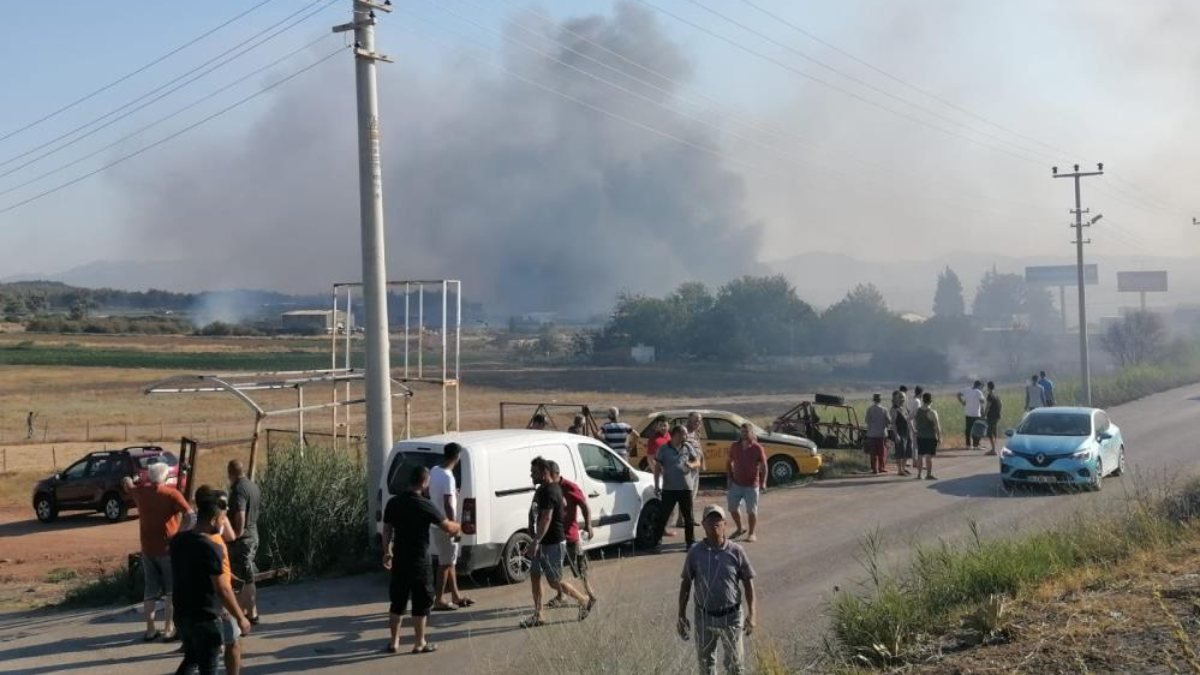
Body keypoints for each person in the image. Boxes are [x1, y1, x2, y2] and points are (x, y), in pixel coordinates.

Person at [170, 485, 251, 675]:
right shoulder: (212, 548)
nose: (223, 524)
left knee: (191, 659)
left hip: (182, 614)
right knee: (209, 666)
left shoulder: (178, 541)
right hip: (205, 618)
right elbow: (222, 589)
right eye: (223, 519)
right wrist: (241, 617)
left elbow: (192, 570)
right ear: (214, 519)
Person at [382, 465, 460, 653]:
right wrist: (459, 526)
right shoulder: (424, 505)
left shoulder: (394, 503)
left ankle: (394, 642)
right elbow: (447, 527)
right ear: (424, 483)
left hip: (400, 559)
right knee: (421, 603)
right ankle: (419, 643)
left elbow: (387, 529)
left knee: (397, 603)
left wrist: (386, 551)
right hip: (419, 562)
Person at [677, 505, 757, 675]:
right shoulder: (695, 552)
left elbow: (748, 583)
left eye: (718, 520)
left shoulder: (736, 551)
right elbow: (686, 584)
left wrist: (752, 614)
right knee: (706, 665)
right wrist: (681, 615)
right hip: (704, 617)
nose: (714, 523)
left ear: (725, 524)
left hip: (732, 617)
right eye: (710, 520)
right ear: (703, 525)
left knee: (735, 666)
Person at [123, 462, 191, 641]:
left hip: (147, 548)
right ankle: (169, 627)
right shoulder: (171, 494)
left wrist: (131, 479)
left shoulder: (140, 492)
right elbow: (190, 514)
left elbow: (127, 483)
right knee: (170, 591)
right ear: (166, 477)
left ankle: (150, 628)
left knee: (150, 590)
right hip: (168, 549)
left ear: (149, 476)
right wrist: (180, 533)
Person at [523, 457, 593, 627]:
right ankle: (538, 615)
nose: (531, 475)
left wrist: (535, 541)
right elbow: (535, 512)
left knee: (554, 581)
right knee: (534, 575)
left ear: (544, 473)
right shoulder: (542, 490)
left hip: (552, 542)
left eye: (534, 472)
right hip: (541, 541)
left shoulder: (551, 491)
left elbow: (546, 518)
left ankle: (583, 600)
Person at [194, 486, 243, 675]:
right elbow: (222, 588)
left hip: (201, 601)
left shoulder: (195, 533)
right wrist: (241, 617)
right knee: (232, 642)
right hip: (217, 602)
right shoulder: (212, 541)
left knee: (200, 656)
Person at [546, 462, 597, 608]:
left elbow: (584, 505)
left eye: (549, 476)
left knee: (580, 568)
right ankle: (561, 596)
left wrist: (588, 525)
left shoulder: (570, 487)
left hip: (570, 536)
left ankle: (590, 595)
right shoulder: (549, 489)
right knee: (556, 571)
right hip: (555, 538)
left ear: (556, 474)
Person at [429, 443, 473, 611]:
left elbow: (434, 494)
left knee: (449, 561)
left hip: (436, 523)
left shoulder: (434, 470)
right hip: (446, 525)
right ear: (457, 457)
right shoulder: (448, 477)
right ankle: (438, 599)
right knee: (445, 564)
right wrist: (453, 526)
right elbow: (448, 503)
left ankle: (455, 595)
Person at [654, 426, 701, 549]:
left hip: (686, 488)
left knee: (688, 517)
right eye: (683, 434)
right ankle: (656, 541)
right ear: (676, 435)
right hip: (669, 489)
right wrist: (656, 485)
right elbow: (657, 468)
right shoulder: (663, 449)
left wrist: (691, 465)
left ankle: (690, 542)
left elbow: (697, 462)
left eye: (686, 434)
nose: (685, 437)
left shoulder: (687, 447)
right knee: (664, 515)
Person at [226, 460, 261, 625]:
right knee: (248, 577)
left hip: (243, 539)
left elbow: (240, 513)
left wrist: (235, 534)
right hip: (253, 534)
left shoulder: (238, 489)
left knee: (239, 580)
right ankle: (251, 612)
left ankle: (240, 616)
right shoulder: (252, 486)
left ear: (231, 473)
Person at [726, 423, 766, 542]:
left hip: (752, 484)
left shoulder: (757, 448)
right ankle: (740, 528)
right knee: (732, 507)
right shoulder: (734, 446)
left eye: (746, 432)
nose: (743, 434)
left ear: (751, 433)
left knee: (751, 511)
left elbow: (764, 466)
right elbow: (728, 462)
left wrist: (763, 482)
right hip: (736, 482)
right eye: (742, 432)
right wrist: (729, 477)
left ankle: (752, 533)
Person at [675, 412, 706, 529]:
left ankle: (686, 518)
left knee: (691, 495)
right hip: (686, 468)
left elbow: (699, 448)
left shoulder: (696, 432)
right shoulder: (684, 432)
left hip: (695, 468)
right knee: (686, 494)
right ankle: (683, 519)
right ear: (689, 420)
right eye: (696, 420)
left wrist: (703, 462)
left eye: (699, 420)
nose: (698, 423)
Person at [914, 392, 942, 480]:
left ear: (922, 400)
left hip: (920, 436)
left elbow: (911, 419)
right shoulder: (932, 412)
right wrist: (940, 437)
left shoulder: (917, 410)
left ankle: (919, 474)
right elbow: (937, 426)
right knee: (928, 457)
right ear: (931, 401)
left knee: (920, 456)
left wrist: (914, 429)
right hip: (930, 436)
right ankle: (928, 474)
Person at [864, 393, 892, 474]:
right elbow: (889, 421)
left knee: (873, 453)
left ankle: (874, 469)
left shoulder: (869, 409)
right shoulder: (884, 409)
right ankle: (881, 467)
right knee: (881, 452)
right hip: (881, 434)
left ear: (873, 400)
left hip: (871, 434)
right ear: (880, 400)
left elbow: (867, 421)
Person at [890, 390, 913, 476]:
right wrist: (896, 435)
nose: (902, 399)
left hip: (907, 432)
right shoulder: (894, 409)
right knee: (900, 451)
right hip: (899, 432)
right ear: (896, 399)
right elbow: (893, 424)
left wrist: (913, 430)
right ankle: (899, 470)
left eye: (903, 398)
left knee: (907, 451)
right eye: (900, 398)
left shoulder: (905, 408)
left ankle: (903, 468)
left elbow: (909, 420)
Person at [957, 380, 985, 449]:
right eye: (982, 387)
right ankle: (976, 445)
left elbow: (958, 394)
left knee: (968, 429)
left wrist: (962, 402)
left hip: (968, 413)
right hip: (976, 414)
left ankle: (968, 445)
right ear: (979, 386)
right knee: (977, 430)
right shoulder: (978, 392)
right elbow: (983, 401)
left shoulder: (966, 389)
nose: (982, 388)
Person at [985, 381, 1003, 455]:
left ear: (988, 387)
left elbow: (988, 406)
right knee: (994, 432)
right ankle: (995, 448)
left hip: (991, 416)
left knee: (990, 432)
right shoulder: (996, 395)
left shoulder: (990, 395)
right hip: (996, 416)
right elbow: (1001, 404)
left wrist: (984, 414)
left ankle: (993, 449)